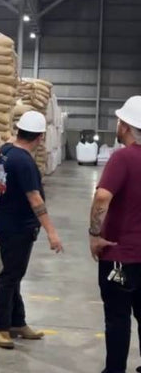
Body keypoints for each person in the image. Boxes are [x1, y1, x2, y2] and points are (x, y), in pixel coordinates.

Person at [0, 111, 64, 349]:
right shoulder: (24, 162)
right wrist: (52, 233)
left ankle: (17, 322)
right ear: (40, 137)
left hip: (4, 222)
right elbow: (35, 199)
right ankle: (1, 328)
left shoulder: (6, 151)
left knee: (15, 275)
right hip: (16, 227)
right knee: (10, 277)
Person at [89, 96, 141, 373]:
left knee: (118, 319)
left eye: (120, 121)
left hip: (121, 257)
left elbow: (101, 199)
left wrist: (94, 235)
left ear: (127, 127)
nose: (118, 126)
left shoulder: (123, 158)